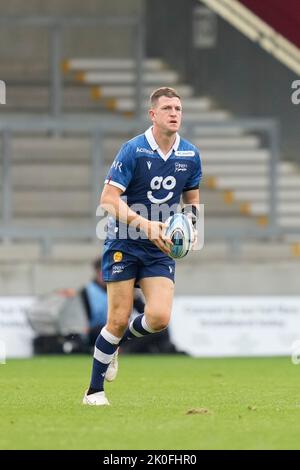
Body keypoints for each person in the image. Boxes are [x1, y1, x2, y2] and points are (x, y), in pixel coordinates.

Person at [83, 87, 202, 405]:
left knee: (160, 317)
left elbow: (191, 201)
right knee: (117, 319)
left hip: (158, 247)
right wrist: (146, 224)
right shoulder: (133, 150)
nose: (174, 113)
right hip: (125, 241)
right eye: (167, 108)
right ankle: (93, 391)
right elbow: (107, 200)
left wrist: (189, 228)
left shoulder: (190, 155)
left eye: (178, 108)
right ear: (153, 114)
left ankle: (115, 343)